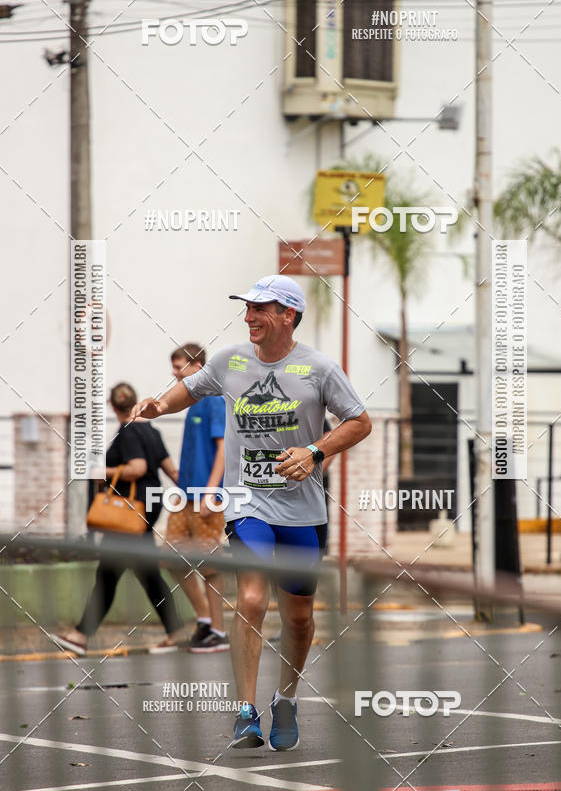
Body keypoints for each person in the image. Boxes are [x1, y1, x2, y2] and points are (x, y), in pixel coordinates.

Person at [130, 275, 371, 751]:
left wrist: (315, 452)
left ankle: (286, 698)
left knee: (298, 617)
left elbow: (360, 421)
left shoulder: (319, 368)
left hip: (302, 510)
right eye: (247, 308)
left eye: (260, 308)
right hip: (247, 502)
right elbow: (190, 390)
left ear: (288, 315)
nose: (249, 317)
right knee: (254, 598)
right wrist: (158, 405)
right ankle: (245, 711)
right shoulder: (230, 360)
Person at [52, 383, 184, 656]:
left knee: (108, 574)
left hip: (128, 512)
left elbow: (138, 468)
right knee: (147, 574)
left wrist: (103, 470)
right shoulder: (152, 431)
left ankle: (80, 635)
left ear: (112, 406)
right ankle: (176, 632)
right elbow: (172, 471)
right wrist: (197, 497)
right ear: (135, 402)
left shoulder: (128, 432)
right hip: (148, 508)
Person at [163, 343, 228, 653]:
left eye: (179, 367)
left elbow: (224, 450)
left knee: (210, 564)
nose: (174, 373)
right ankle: (204, 619)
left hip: (207, 496)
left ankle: (219, 631)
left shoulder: (214, 400)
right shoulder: (191, 402)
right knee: (170, 557)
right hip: (185, 496)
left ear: (198, 366)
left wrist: (212, 492)